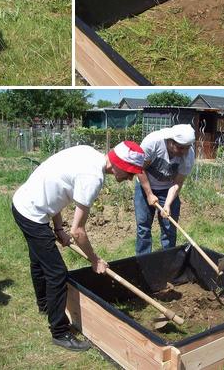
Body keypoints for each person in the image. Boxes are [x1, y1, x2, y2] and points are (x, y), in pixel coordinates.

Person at [12, 141, 145, 352]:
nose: (130, 178)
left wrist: (57, 229)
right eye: (130, 173)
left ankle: (45, 305)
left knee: (39, 261)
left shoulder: (88, 153)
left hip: (24, 202)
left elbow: (56, 190)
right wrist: (95, 261)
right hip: (32, 214)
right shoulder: (93, 178)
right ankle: (60, 332)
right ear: (119, 165)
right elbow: (78, 231)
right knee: (57, 273)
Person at [134, 124, 196, 256]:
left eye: (187, 148)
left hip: (168, 189)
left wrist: (167, 204)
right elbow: (139, 168)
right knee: (143, 227)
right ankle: (143, 261)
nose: (183, 152)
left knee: (169, 227)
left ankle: (168, 260)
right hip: (145, 187)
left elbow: (178, 182)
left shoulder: (188, 155)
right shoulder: (152, 142)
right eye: (180, 148)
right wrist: (149, 194)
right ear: (170, 140)